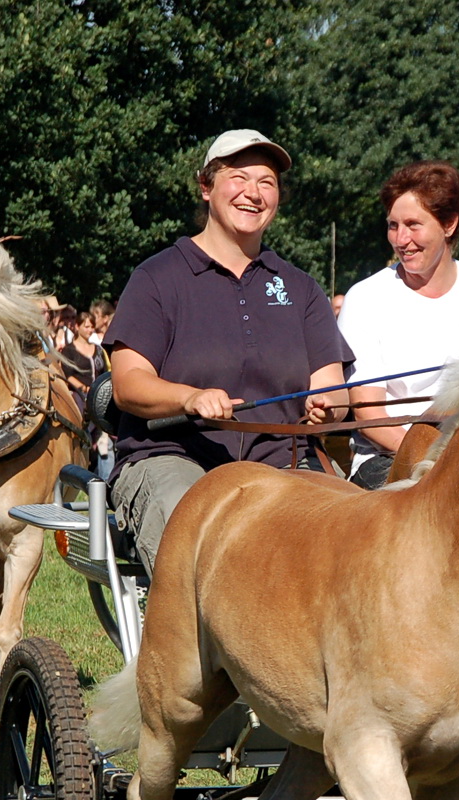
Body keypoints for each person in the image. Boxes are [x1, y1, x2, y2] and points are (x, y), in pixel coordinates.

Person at [105, 128, 351, 575]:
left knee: (354, 537)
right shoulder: (157, 277)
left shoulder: (300, 288)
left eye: (267, 182)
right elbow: (127, 384)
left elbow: (332, 387)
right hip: (173, 456)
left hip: (285, 461)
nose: (253, 193)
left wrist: (328, 407)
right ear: (206, 186)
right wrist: (189, 397)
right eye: (239, 177)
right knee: (195, 534)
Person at [335, 160, 459, 489]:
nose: (401, 238)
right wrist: (438, 462)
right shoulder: (366, 298)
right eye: (393, 225)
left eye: (413, 224)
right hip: (390, 459)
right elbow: (369, 416)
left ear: (449, 224)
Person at [55, 309, 106, 413]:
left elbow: (103, 372)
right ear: (78, 327)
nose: (90, 330)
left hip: (99, 397)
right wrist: (84, 388)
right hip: (78, 396)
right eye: (87, 327)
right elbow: (68, 375)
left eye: (92, 327)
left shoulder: (98, 349)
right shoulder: (69, 350)